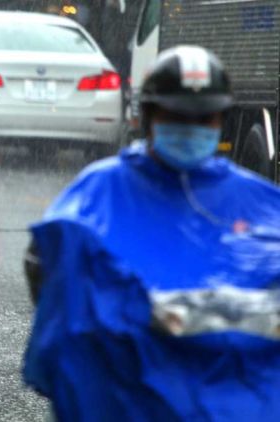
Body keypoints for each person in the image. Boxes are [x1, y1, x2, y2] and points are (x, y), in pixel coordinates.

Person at [23, 46, 280, 421]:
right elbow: (50, 271)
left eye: (203, 118)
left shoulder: (257, 202)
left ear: (221, 121)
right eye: (177, 116)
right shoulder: (101, 192)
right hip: (122, 398)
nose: (190, 128)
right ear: (148, 117)